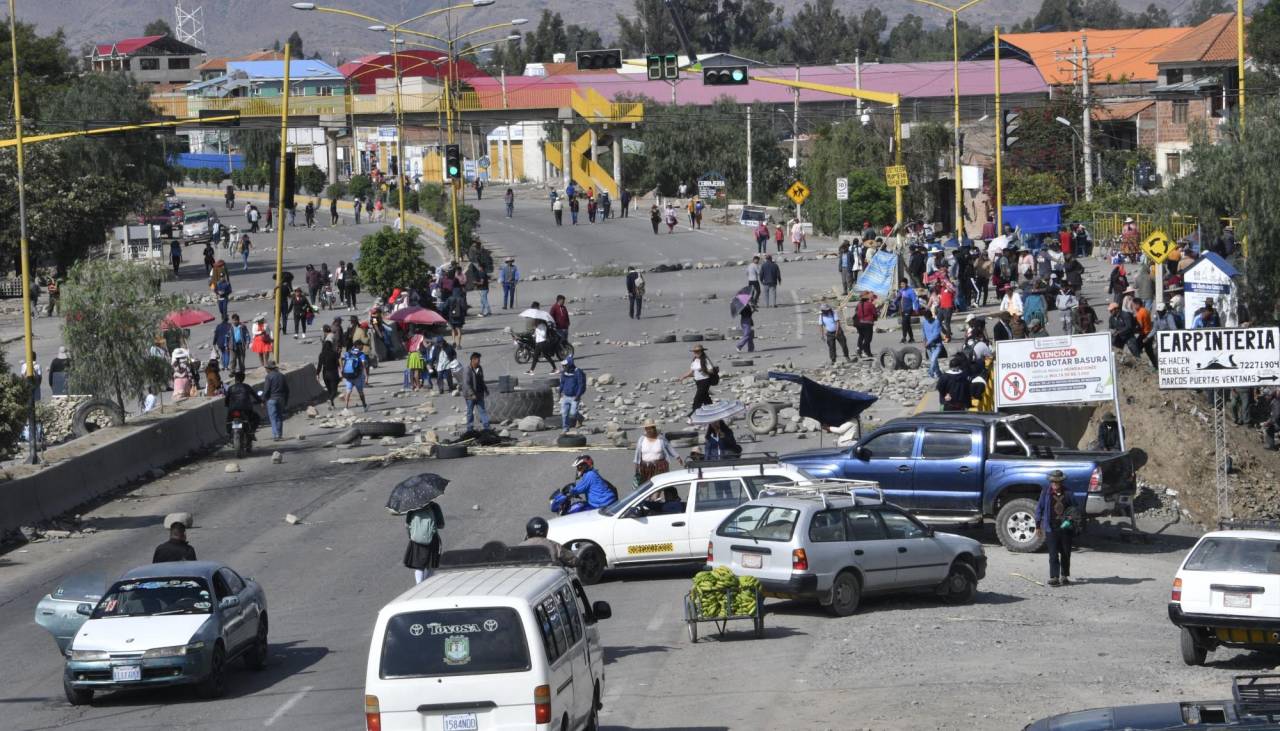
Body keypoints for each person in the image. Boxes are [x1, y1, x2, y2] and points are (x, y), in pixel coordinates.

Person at [1036, 470, 1078, 586]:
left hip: (1065, 527)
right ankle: (1054, 577)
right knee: (1053, 554)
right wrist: (1038, 525)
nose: (1054, 484)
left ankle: (1064, 576)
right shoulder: (1045, 492)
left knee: (1065, 553)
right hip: (1051, 527)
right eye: (1053, 481)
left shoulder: (1068, 493)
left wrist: (1070, 519)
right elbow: (1039, 508)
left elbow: (1075, 508)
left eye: (1057, 482)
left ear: (1061, 482)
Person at [404, 500, 444, 584]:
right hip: (432, 540)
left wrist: (412, 535)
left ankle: (419, 585)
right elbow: (441, 524)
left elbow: (407, 525)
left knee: (419, 567)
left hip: (416, 541)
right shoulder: (434, 506)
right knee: (431, 566)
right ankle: (427, 585)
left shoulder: (412, 508)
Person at [677, 345, 717, 419]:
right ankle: (712, 411)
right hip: (698, 381)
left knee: (697, 398)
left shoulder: (705, 360)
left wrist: (703, 369)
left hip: (705, 381)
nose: (696, 353)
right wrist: (683, 377)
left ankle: (694, 413)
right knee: (705, 398)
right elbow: (692, 372)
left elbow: (711, 370)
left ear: (701, 351)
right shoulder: (694, 360)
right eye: (695, 351)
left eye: (698, 351)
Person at [223, 369, 262, 435]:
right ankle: (252, 431)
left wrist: (227, 405)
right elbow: (255, 396)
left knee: (228, 420)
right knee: (256, 418)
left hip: (233, 408)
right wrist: (260, 401)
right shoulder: (247, 387)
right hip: (246, 408)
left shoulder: (231, 388)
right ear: (243, 379)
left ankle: (228, 432)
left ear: (235, 379)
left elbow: (226, 399)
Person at [461, 351, 491, 431]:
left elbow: (481, 380)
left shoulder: (479, 368)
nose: (479, 361)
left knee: (482, 411)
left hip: (479, 394)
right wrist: (472, 394)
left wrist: (485, 389)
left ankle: (487, 428)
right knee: (470, 413)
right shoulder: (467, 370)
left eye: (479, 359)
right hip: (470, 396)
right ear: (472, 360)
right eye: (477, 359)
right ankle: (470, 429)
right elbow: (466, 384)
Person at [262, 360, 289, 441]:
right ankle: (279, 435)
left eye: (266, 368)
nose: (266, 370)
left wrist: (263, 400)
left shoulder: (269, 377)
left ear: (269, 369)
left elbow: (266, 390)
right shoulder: (282, 376)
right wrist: (286, 401)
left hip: (271, 399)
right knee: (280, 417)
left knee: (273, 418)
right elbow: (287, 390)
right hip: (281, 399)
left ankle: (276, 435)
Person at [558, 356, 586, 432]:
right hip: (565, 396)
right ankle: (565, 428)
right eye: (563, 365)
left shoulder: (578, 372)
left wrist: (578, 395)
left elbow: (581, 384)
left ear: (569, 364)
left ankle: (580, 418)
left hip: (574, 397)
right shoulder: (564, 373)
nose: (563, 367)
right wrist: (559, 392)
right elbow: (562, 383)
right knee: (564, 413)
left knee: (573, 413)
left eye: (565, 365)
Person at [342, 342, 371, 411]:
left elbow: (342, 359)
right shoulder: (361, 354)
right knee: (360, 392)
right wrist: (366, 375)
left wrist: (342, 369)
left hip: (348, 375)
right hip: (357, 376)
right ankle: (364, 406)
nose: (363, 347)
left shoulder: (348, 353)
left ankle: (346, 407)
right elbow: (364, 365)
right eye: (361, 345)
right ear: (358, 346)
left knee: (348, 391)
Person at [316, 338, 340, 408]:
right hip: (333, 373)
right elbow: (338, 362)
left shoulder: (321, 354)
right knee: (334, 391)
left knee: (330, 390)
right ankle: (330, 400)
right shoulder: (334, 353)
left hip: (325, 374)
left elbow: (319, 365)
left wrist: (317, 374)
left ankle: (331, 405)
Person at [854, 291, 878, 359]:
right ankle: (863, 351)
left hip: (860, 323)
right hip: (868, 323)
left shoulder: (859, 304)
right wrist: (875, 318)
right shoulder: (870, 305)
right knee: (868, 339)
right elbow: (875, 314)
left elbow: (857, 313)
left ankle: (865, 351)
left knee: (861, 336)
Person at [922, 309, 944, 378]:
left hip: (937, 345)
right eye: (926, 318)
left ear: (931, 316)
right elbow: (923, 332)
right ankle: (939, 373)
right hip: (929, 346)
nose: (927, 319)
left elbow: (936, 335)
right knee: (934, 362)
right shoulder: (924, 322)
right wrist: (924, 341)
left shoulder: (936, 322)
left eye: (927, 318)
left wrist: (928, 342)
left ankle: (930, 373)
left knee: (933, 359)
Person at [896, 279, 919, 344]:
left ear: (906, 284)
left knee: (904, 323)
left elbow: (915, 300)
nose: (902, 285)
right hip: (903, 310)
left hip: (908, 309)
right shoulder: (901, 291)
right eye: (901, 284)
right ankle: (912, 338)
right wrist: (895, 301)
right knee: (907, 324)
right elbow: (897, 299)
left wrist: (916, 309)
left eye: (903, 284)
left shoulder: (910, 291)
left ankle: (904, 338)